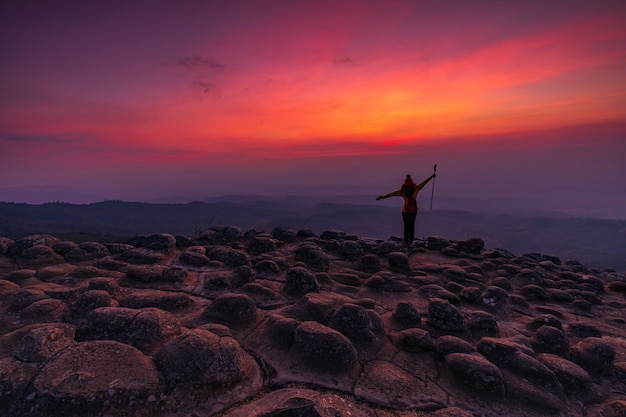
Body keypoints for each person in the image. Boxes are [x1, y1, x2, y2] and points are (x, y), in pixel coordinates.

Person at [376, 173, 436, 245]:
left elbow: (392, 194)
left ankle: (406, 238)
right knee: (411, 224)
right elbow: (424, 183)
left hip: (405, 211)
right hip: (414, 211)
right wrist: (431, 177)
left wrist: (383, 197)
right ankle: (411, 239)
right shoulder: (416, 188)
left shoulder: (402, 191)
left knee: (406, 225)